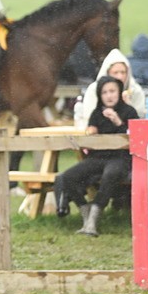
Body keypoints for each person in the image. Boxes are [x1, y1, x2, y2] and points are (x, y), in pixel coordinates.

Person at [55, 75, 138, 236]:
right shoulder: (96, 113)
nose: (109, 95)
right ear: (100, 96)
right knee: (68, 176)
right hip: (98, 157)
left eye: (112, 91)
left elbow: (133, 138)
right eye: (104, 92)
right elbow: (90, 137)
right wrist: (90, 134)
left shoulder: (129, 111)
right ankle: (86, 215)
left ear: (119, 92)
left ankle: (94, 218)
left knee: (111, 174)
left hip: (120, 157)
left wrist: (118, 122)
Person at [73, 48, 145, 130]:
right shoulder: (94, 90)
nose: (120, 77)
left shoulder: (135, 90)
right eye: (115, 72)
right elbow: (89, 119)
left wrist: (127, 106)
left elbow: (140, 122)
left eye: (123, 72)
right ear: (107, 73)